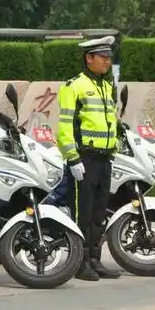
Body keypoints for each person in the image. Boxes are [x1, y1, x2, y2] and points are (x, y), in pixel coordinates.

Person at [56, 36, 122, 281]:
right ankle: (79, 262)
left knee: (98, 213)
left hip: (104, 159)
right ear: (89, 58)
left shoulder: (107, 86)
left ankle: (94, 258)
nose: (107, 61)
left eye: (109, 57)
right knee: (81, 214)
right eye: (102, 57)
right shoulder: (74, 86)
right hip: (84, 159)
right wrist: (72, 158)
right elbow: (65, 127)